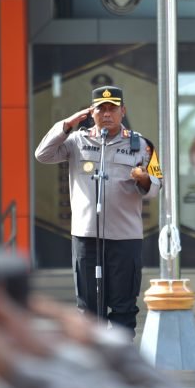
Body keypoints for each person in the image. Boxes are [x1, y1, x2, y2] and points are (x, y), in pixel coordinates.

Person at [35, 85, 162, 337]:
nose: (106, 114)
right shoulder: (76, 141)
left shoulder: (142, 145)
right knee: (89, 310)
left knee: (124, 307)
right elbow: (43, 154)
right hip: (86, 237)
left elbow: (156, 187)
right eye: (100, 109)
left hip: (124, 239)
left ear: (123, 111)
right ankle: (93, 356)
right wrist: (67, 124)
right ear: (90, 112)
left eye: (112, 109)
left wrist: (143, 179)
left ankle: (121, 357)